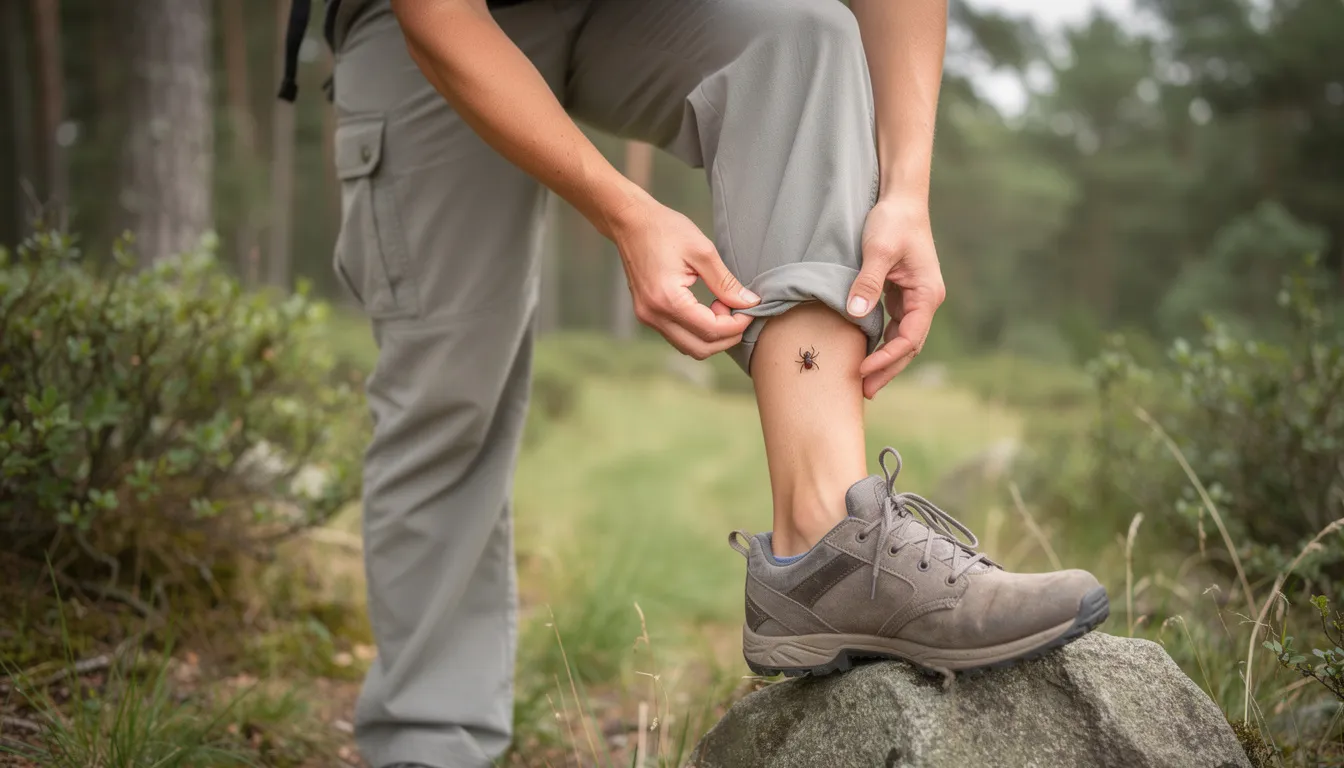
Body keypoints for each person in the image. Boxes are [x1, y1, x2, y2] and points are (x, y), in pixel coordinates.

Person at [290, 0, 1111, 765]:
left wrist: (905, 191)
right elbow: (438, 15)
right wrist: (626, 211)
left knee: (804, 35)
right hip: (441, 23)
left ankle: (829, 544)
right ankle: (430, 739)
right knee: (450, 398)